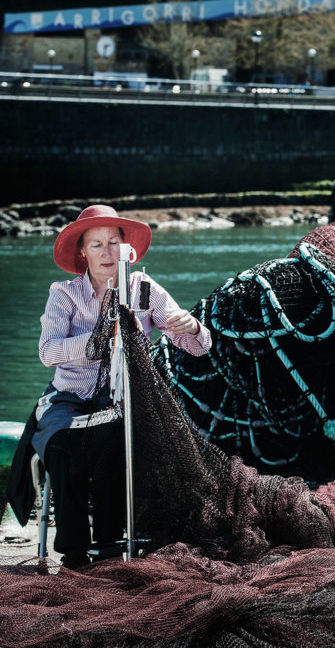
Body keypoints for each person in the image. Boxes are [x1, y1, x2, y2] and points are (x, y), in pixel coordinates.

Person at [34, 205, 212, 568]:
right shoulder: (63, 294)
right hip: (69, 398)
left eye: (113, 242)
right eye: (96, 244)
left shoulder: (143, 289)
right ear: (82, 252)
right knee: (63, 445)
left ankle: (112, 544)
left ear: (126, 248)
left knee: (121, 442)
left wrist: (191, 326)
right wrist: (96, 342)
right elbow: (48, 352)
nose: (106, 252)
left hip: (124, 399)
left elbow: (197, 347)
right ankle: (74, 551)